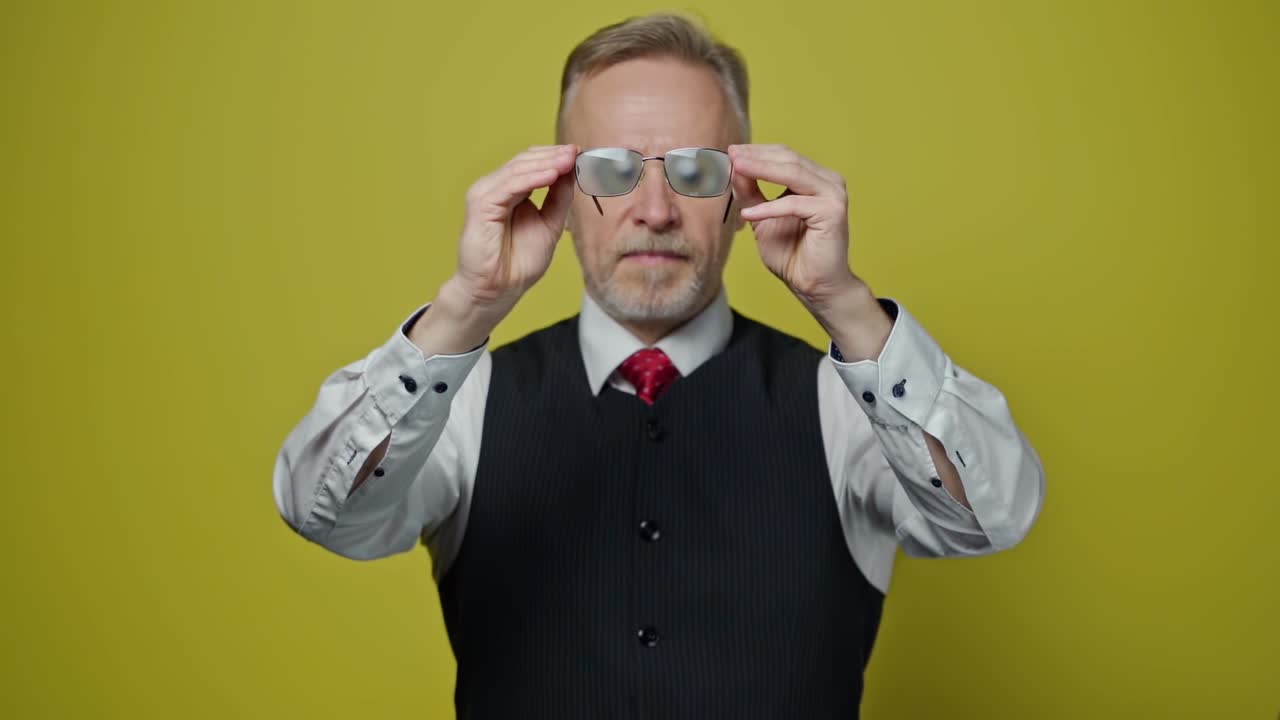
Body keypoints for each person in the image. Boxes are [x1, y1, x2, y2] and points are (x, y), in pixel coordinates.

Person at [273, 12, 1045, 719]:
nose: (654, 209)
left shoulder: (846, 398)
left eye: (695, 170)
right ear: (561, 193)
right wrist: (464, 308)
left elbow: (990, 518)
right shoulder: (462, 400)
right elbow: (324, 513)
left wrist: (845, 304)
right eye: (612, 169)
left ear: (743, 197)